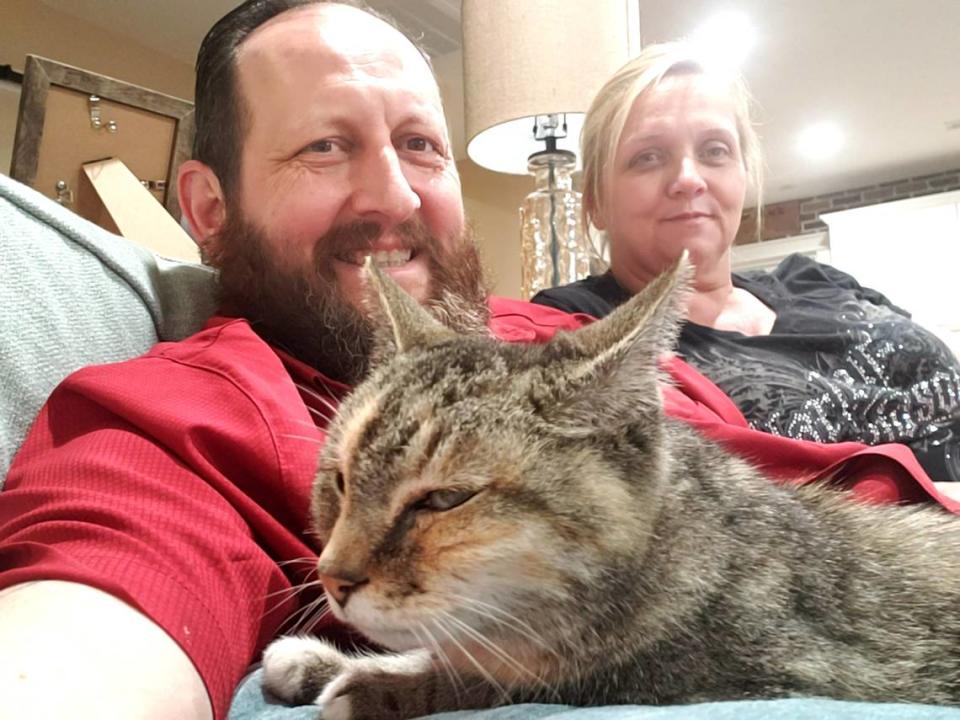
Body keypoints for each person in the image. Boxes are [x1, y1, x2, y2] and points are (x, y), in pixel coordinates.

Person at [0, 3, 588, 719]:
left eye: (421, 144)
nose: (396, 194)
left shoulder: (568, 332)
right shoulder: (189, 415)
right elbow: (80, 646)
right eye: (325, 147)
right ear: (210, 210)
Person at [532, 42, 960, 482]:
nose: (687, 178)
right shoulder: (572, 328)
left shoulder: (817, 280)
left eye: (714, 150)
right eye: (648, 157)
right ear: (596, 203)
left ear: (743, 172)